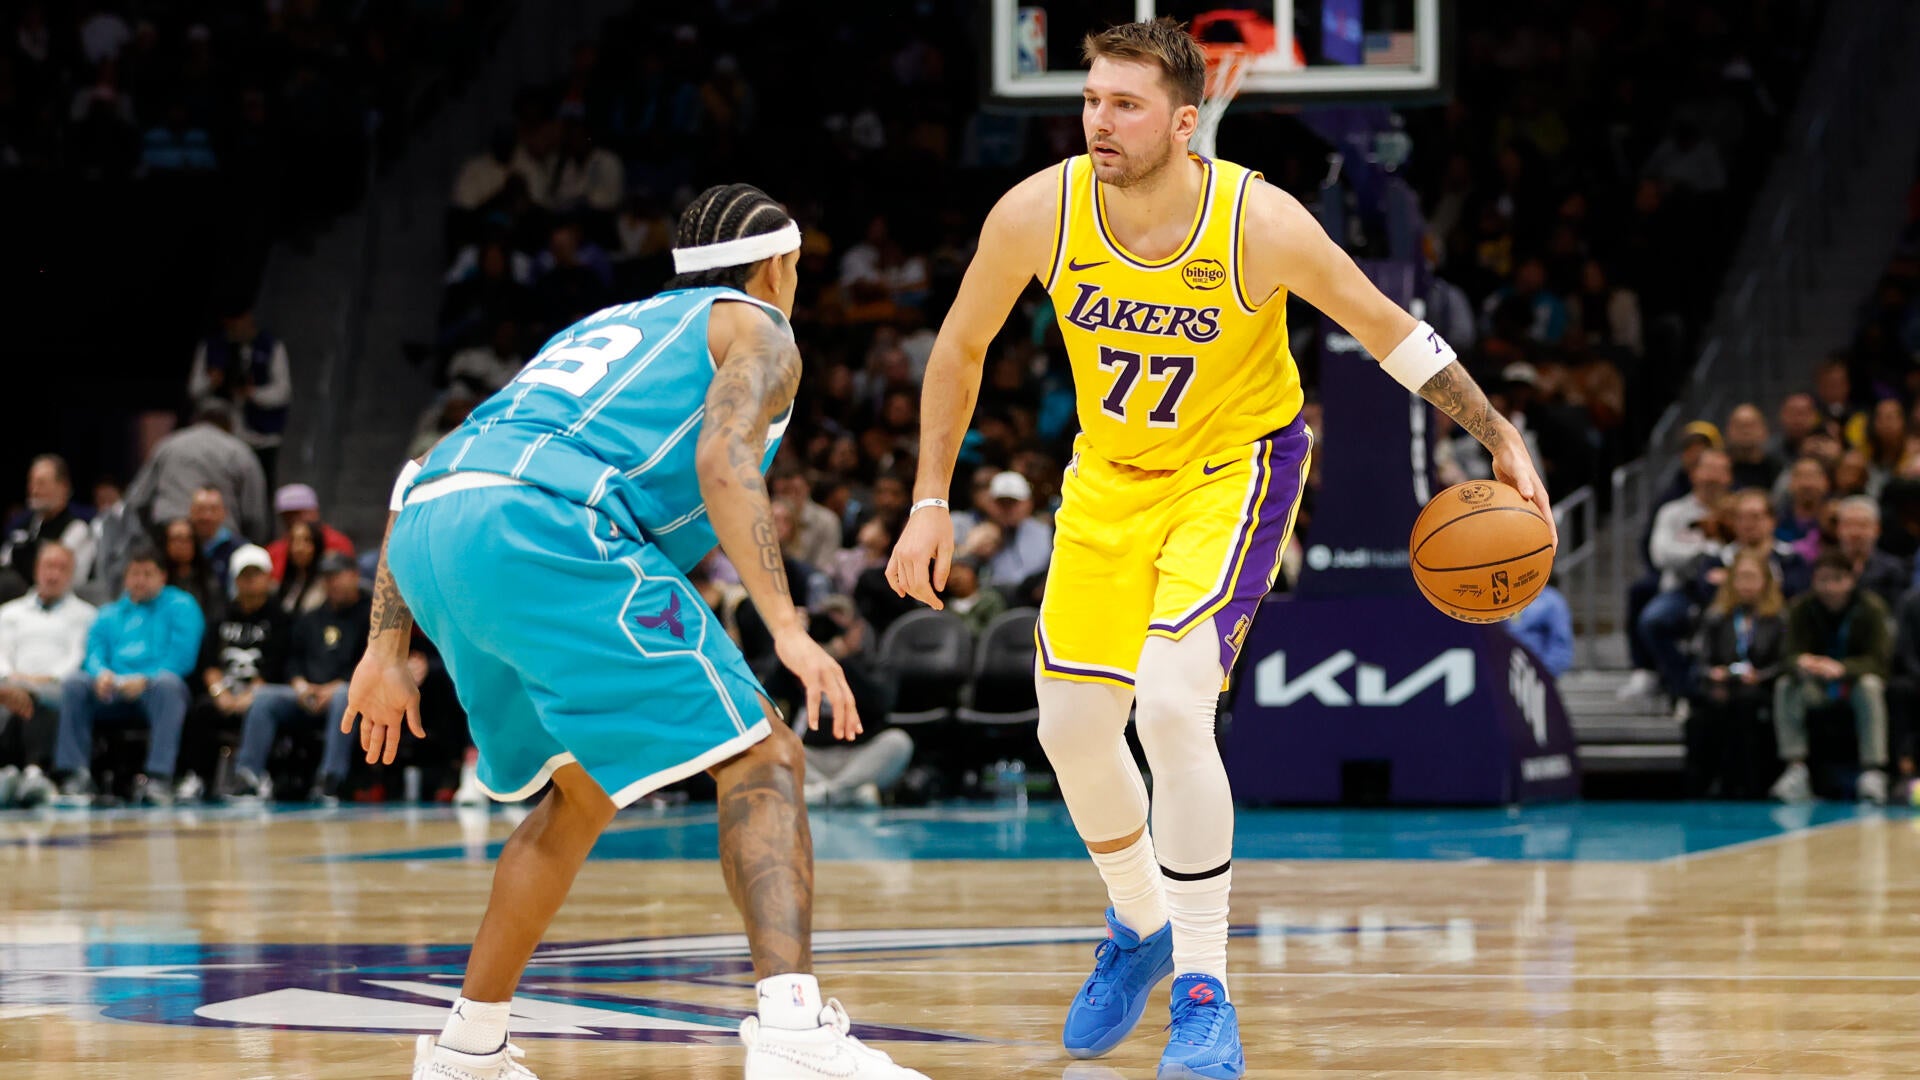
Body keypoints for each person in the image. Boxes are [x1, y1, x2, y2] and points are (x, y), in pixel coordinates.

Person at [885, 21, 1552, 1079]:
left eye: (1126, 105)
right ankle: (1139, 923)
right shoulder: (1038, 211)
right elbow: (959, 348)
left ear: (1185, 122)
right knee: (1070, 728)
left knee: (1169, 704)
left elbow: (1388, 329)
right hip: (1109, 478)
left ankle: (1203, 990)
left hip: (1233, 474)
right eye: (1092, 100)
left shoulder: (1259, 223)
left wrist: (1499, 433)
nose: (1100, 121)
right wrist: (930, 498)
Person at [343, 184, 928, 1080]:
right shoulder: (760, 328)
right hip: (544, 524)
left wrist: (384, 650)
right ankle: (795, 1037)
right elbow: (724, 459)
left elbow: (423, 468)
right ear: (779, 266)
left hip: (432, 530)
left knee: (580, 792)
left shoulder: (602, 328)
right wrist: (787, 627)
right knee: (764, 755)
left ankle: (468, 1050)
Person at [53, 539, 205, 806]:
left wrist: (146, 679)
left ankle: (159, 777)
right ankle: (75, 775)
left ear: (162, 576)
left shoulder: (182, 606)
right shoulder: (108, 613)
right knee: (75, 683)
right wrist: (101, 674)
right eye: (134, 574)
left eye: (147, 573)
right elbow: (94, 652)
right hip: (112, 689)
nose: (140, 580)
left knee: (169, 684)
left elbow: (182, 657)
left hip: (154, 689)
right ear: (125, 578)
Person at [1771, 552, 1892, 805]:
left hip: (1853, 684)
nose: (1830, 587)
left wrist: (1842, 668)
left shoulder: (1871, 608)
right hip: (1815, 685)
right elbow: (1786, 657)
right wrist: (1804, 661)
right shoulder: (1801, 608)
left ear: (1851, 580)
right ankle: (1796, 769)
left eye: (1837, 580)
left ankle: (1872, 771)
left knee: (1870, 686)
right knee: (1786, 685)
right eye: (1823, 580)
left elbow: (1879, 661)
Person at [0, 544, 97, 807]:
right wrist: (11, 678)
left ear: (72, 574)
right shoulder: (8, 613)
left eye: (61, 568)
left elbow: (78, 657)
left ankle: (34, 771)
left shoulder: (87, 615)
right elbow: (2, 653)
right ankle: (11, 772)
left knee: (37, 698)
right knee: (12, 697)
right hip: (10, 682)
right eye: (48, 567)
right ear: (36, 570)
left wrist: (40, 681)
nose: (53, 574)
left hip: (57, 686)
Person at [1687, 549, 1787, 798]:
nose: (1746, 584)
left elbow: (1784, 662)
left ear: (1765, 581)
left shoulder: (1778, 619)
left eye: (1752, 577)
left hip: (1761, 688)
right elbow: (1700, 658)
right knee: (1706, 710)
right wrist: (1713, 674)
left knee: (1747, 704)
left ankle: (1750, 784)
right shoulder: (1716, 616)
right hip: (1723, 687)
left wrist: (1760, 676)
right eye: (1741, 577)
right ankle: (1706, 783)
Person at [1, 455, 97, 603]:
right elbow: (4, 562)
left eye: (41, 483)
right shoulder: (21, 525)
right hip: (14, 606)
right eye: (31, 482)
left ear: (63, 487)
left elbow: (69, 581)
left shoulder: (77, 530)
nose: (34, 490)